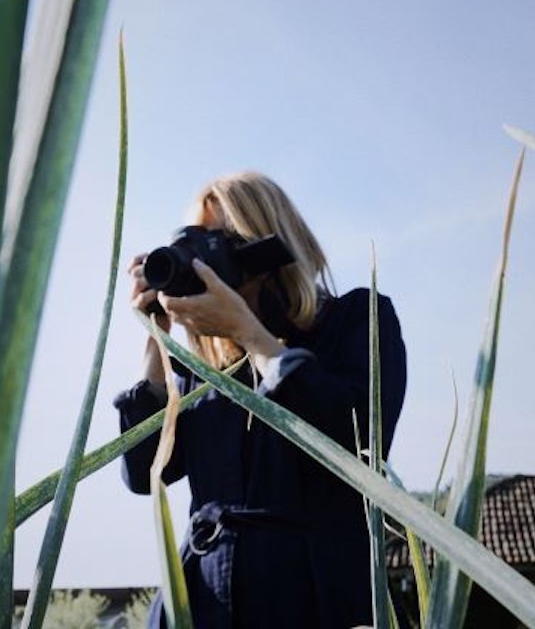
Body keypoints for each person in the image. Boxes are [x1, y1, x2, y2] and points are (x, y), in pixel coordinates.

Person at [114, 172, 407, 628]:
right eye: (190, 243)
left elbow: (356, 437)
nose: (197, 261)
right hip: (201, 603)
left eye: (215, 242)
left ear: (263, 246)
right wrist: (157, 342)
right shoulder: (206, 369)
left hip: (313, 600)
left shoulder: (356, 320)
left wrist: (251, 334)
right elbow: (143, 472)